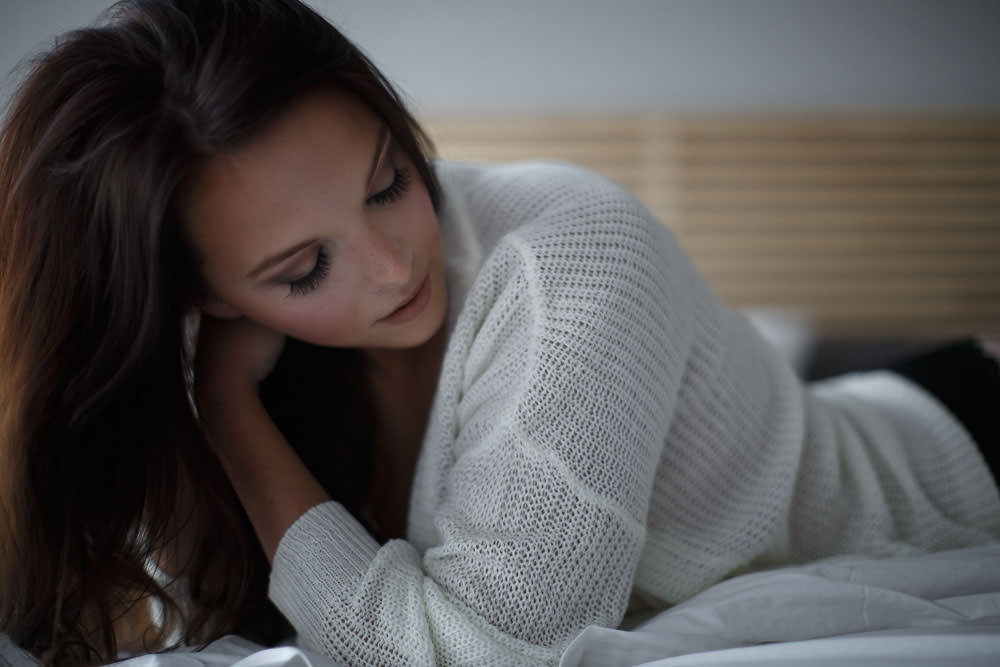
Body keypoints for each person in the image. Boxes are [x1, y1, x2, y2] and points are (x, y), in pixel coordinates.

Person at [0, 0, 997, 664]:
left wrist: (229, 413)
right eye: (303, 269)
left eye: (390, 183)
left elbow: (480, 655)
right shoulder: (214, 348)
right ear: (207, 297)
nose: (394, 267)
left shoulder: (576, 255)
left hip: (952, 458)